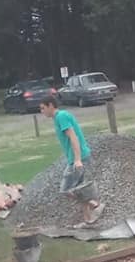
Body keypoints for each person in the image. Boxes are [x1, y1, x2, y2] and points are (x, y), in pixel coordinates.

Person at [39, 96, 106, 224]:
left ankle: (95, 204)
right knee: (79, 188)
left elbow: (73, 136)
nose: (42, 111)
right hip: (77, 157)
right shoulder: (59, 117)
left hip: (78, 158)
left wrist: (77, 159)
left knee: (65, 190)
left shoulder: (61, 117)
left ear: (50, 105)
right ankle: (88, 219)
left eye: (43, 108)